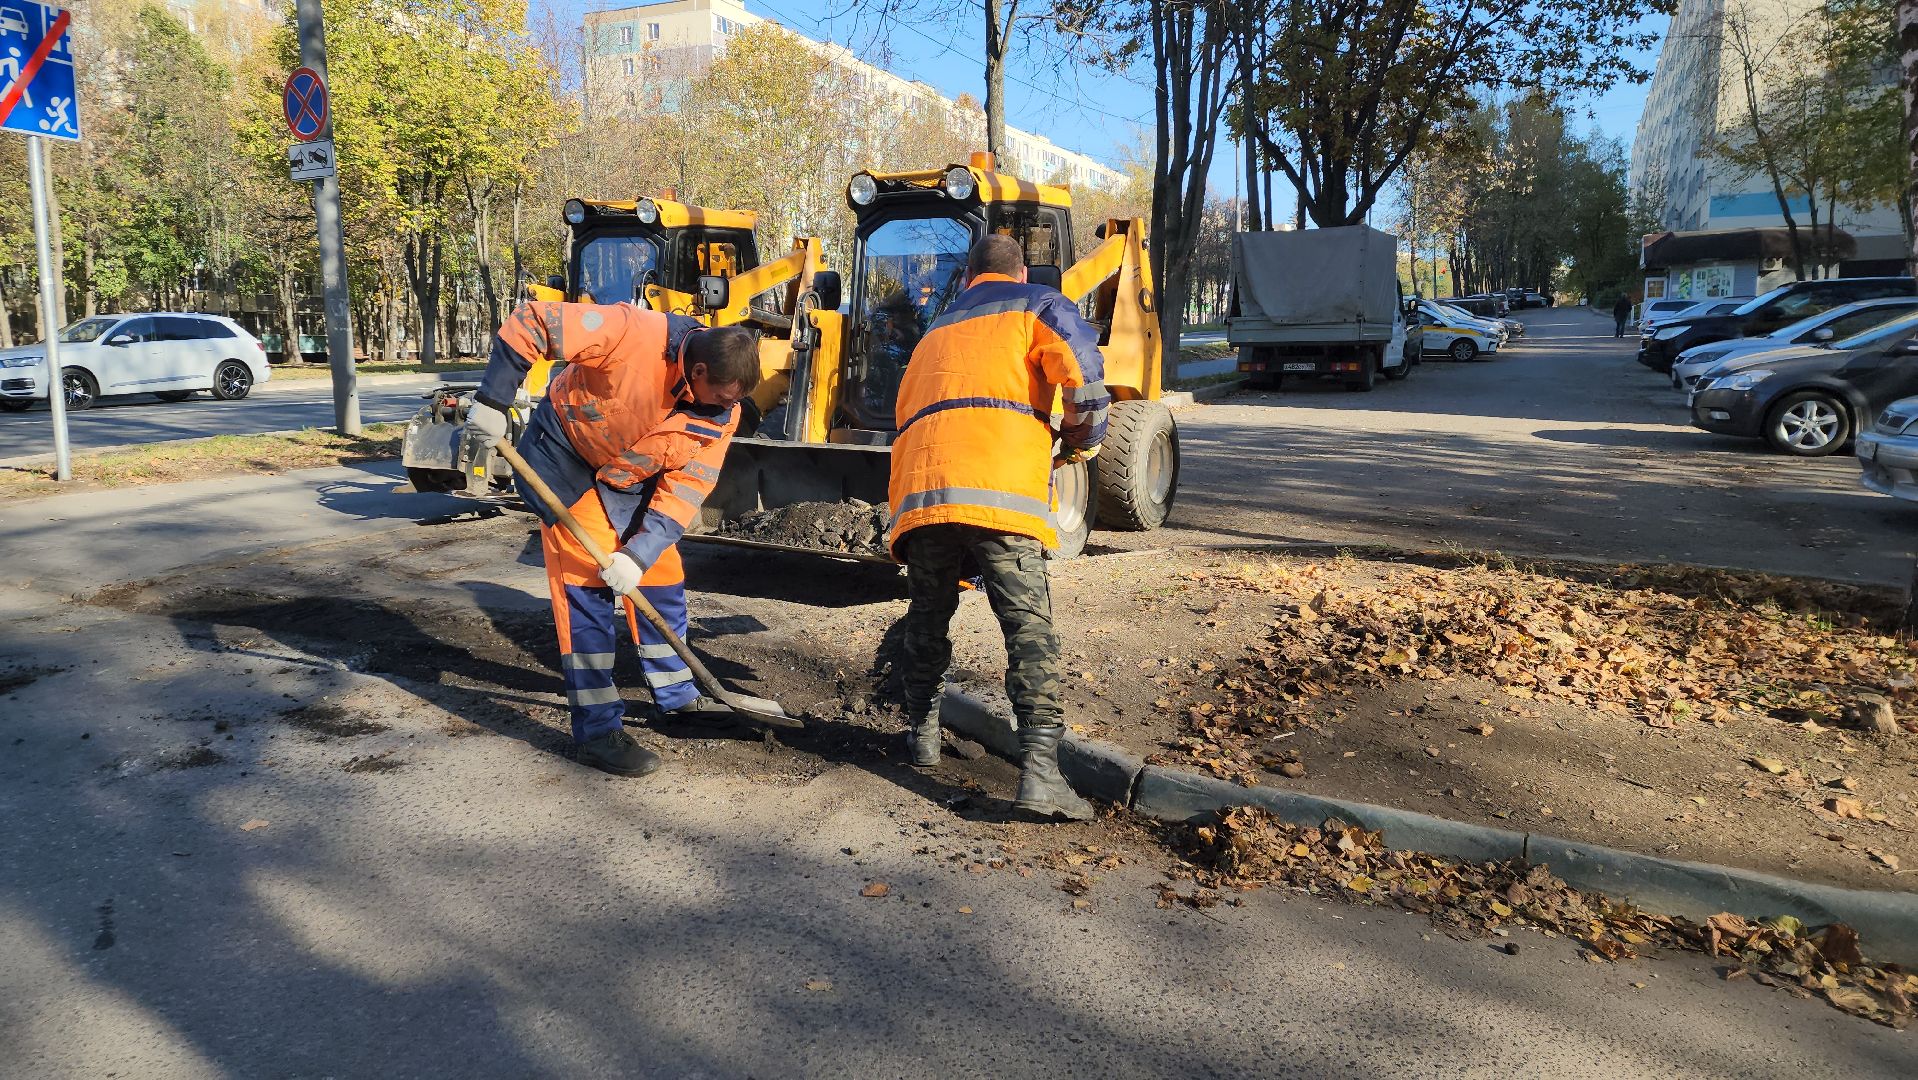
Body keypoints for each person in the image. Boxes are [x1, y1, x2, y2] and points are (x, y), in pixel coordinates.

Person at [465, 301, 760, 778]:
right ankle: (598, 730)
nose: (723, 412)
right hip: (567, 459)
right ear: (697, 368)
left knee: (662, 575)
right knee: (587, 589)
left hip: (632, 476)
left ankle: (679, 698)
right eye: (718, 398)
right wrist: (493, 399)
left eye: (732, 404)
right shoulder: (632, 333)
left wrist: (639, 557)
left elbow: (685, 491)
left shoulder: (722, 415)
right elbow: (534, 322)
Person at [887, 234, 1109, 821]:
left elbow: (904, 413)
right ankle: (1039, 773)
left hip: (925, 496)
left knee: (927, 618)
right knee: (1026, 631)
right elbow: (1083, 379)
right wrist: (1081, 443)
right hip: (1001, 495)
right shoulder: (1039, 305)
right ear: (1019, 272)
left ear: (967, 279)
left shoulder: (933, 332)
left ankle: (924, 738)